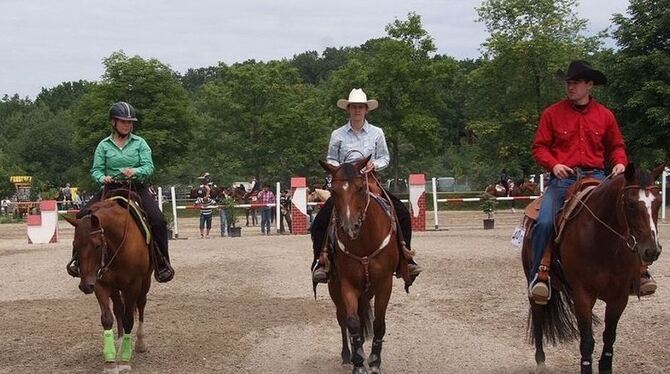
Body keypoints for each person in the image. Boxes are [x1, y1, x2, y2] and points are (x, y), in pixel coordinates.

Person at [528, 60, 656, 302]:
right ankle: (539, 275)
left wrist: (619, 161)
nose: (570, 86)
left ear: (590, 85)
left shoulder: (605, 116)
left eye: (575, 82)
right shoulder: (552, 114)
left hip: (597, 177)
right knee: (544, 222)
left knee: (626, 214)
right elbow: (539, 147)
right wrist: (554, 164)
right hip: (563, 180)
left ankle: (640, 272)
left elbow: (617, 146)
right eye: (568, 82)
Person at [310, 88, 422, 283]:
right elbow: (330, 158)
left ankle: (406, 258)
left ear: (366, 110)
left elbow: (385, 157)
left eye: (360, 107)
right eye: (353, 107)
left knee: (402, 213)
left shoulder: (377, 133)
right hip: (346, 182)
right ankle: (321, 261)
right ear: (348, 109)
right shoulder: (337, 134)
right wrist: (339, 172)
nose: (357, 110)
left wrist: (374, 164)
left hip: (369, 180)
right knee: (319, 222)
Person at [67, 101, 174, 283]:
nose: (127, 124)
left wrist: (136, 172)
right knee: (83, 217)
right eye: (123, 121)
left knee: (158, 220)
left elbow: (149, 166)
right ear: (113, 122)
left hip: (136, 188)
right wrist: (102, 178)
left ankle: (162, 262)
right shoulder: (103, 146)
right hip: (111, 188)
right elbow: (96, 170)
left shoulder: (140, 143)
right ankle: (77, 261)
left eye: (130, 122)